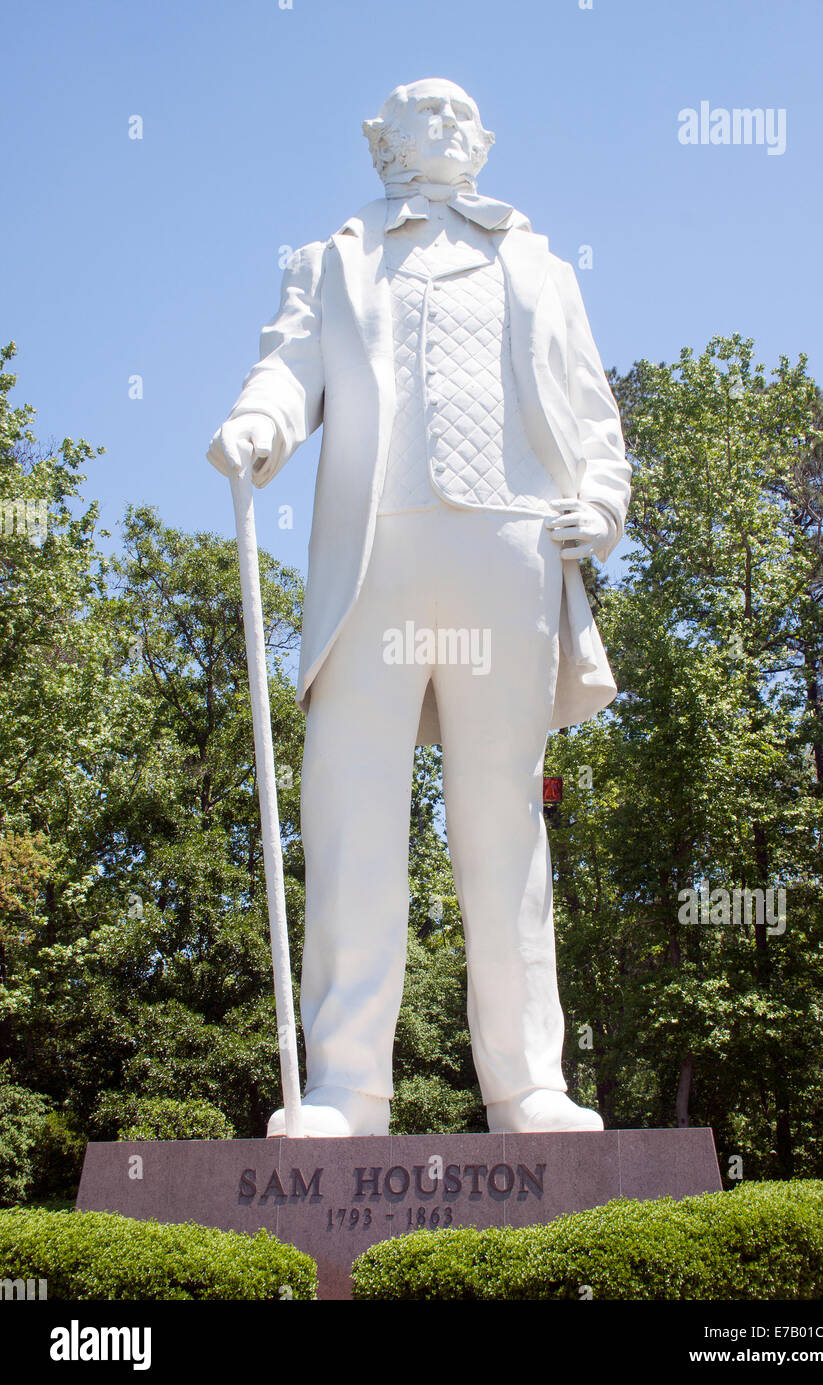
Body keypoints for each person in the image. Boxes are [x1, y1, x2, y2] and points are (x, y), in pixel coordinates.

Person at [208, 79, 631, 1136]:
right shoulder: (331, 259)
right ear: (380, 140)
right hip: (374, 554)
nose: (443, 122)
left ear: (484, 140)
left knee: (504, 825)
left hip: (510, 544)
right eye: (420, 110)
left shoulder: (540, 265)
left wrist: (604, 503)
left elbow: (589, 409)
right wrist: (257, 427)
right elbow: (286, 366)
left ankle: (527, 1083)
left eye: (459, 112)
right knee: (352, 820)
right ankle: (345, 1084)